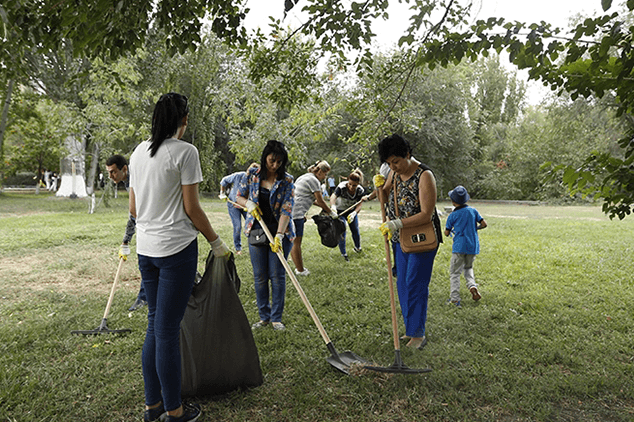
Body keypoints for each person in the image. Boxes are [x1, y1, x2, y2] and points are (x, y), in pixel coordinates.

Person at [129, 92, 230, 422]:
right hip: (176, 251)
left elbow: (132, 208)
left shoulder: (138, 153)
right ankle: (174, 411)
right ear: (184, 120)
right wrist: (216, 242)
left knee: (154, 327)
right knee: (167, 331)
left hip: (146, 250)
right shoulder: (186, 153)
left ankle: (152, 406)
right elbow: (192, 208)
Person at [374, 134, 442, 350]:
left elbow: (426, 214)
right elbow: (383, 200)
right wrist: (379, 187)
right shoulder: (394, 174)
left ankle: (418, 335)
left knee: (415, 283)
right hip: (399, 239)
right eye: (388, 163)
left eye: (396, 161)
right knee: (403, 284)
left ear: (407, 154)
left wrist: (397, 224)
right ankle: (410, 329)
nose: (393, 167)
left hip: (421, 238)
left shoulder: (424, 175)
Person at [236, 140, 294, 331]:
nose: (275, 165)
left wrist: (279, 235)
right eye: (271, 161)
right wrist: (248, 204)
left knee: (277, 276)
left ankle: (276, 318)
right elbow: (238, 196)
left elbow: (287, 209)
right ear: (265, 158)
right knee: (260, 276)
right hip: (257, 230)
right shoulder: (253, 175)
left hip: (279, 232)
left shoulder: (287, 181)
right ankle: (264, 317)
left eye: (279, 162)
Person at [106, 154, 146, 312]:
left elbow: (134, 213)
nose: (110, 176)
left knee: (147, 261)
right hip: (144, 223)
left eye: (113, 172)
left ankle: (144, 298)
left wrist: (126, 240)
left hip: (152, 223)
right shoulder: (127, 182)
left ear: (124, 169)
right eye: (109, 172)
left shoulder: (135, 180)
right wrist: (125, 241)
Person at [290, 160, 337, 275]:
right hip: (296, 214)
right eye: (325, 174)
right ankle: (300, 270)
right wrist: (331, 212)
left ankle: (290, 266)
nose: (325, 177)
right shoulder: (314, 181)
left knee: (291, 241)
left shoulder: (304, 177)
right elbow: (320, 201)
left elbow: (312, 200)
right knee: (296, 243)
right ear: (320, 171)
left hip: (291, 211)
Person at [444, 185, 486, 307]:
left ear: (453, 202)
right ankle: (472, 286)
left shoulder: (452, 215)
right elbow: (484, 224)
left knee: (455, 273)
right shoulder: (473, 211)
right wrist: (475, 228)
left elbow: (446, 232)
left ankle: (455, 299)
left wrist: (451, 232)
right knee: (468, 268)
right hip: (472, 247)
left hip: (459, 247)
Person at [219, 163, 259, 255]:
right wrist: (222, 193)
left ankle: (255, 246)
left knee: (253, 225)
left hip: (246, 206)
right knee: (237, 227)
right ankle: (238, 249)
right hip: (233, 206)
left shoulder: (256, 181)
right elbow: (223, 181)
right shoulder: (238, 176)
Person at [330, 171, 367, 261]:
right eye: (350, 184)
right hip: (340, 211)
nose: (351, 187)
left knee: (355, 229)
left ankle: (357, 248)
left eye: (354, 185)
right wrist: (333, 207)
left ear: (358, 184)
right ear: (347, 181)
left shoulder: (359, 190)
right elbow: (333, 197)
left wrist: (354, 213)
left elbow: (359, 204)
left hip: (351, 212)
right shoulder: (342, 186)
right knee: (342, 230)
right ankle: (343, 253)